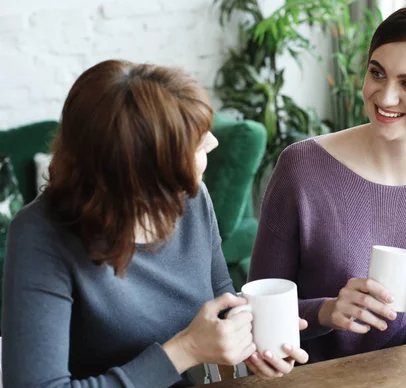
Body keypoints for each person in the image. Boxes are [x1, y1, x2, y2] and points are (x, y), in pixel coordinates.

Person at [1, 60, 307, 387]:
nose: (213, 144)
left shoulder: (190, 198)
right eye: (198, 141)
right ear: (145, 170)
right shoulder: (40, 235)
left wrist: (250, 342)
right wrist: (186, 350)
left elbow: (220, 296)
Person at [248, 2, 406, 363]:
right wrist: (326, 311)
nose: (385, 97)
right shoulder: (301, 167)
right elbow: (257, 312)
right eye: (377, 73)